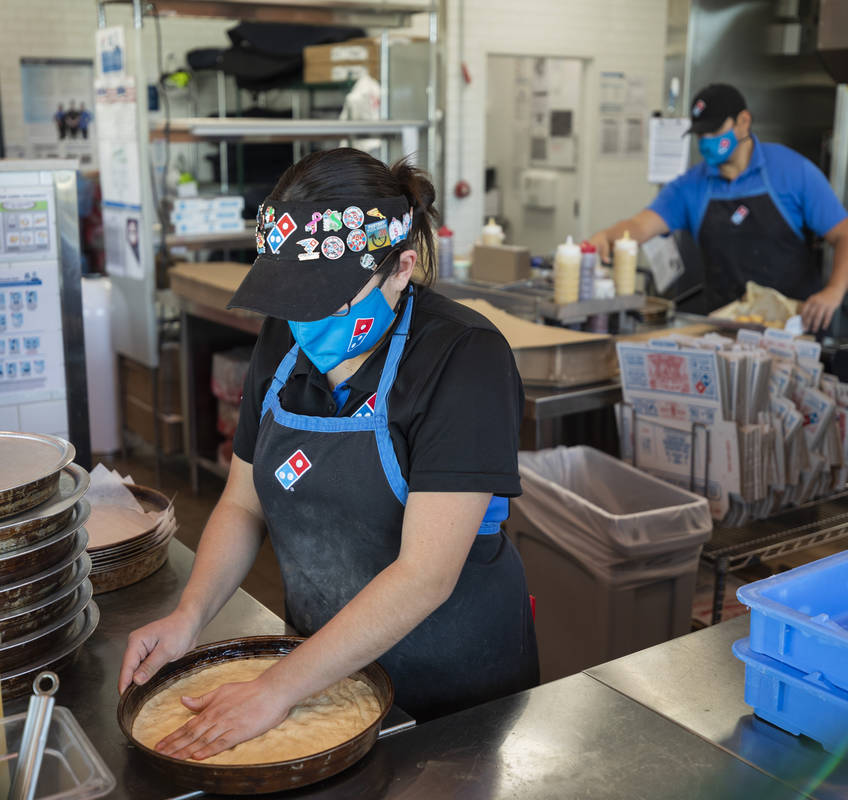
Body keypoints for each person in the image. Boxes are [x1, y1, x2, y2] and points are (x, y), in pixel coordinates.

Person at [119, 148, 539, 761]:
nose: (306, 324)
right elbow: (242, 505)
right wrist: (190, 615)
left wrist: (273, 689)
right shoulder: (281, 344)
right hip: (321, 680)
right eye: (293, 304)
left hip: (454, 699)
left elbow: (426, 574)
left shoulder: (464, 359)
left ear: (402, 267)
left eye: (331, 302)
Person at [589, 84, 848, 332]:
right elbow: (640, 226)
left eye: (714, 131)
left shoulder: (792, 172)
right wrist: (606, 237)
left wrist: (833, 292)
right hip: (723, 331)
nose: (706, 141)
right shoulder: (691, 187)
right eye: (700, 134)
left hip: (793, 330)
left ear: (743, 122)